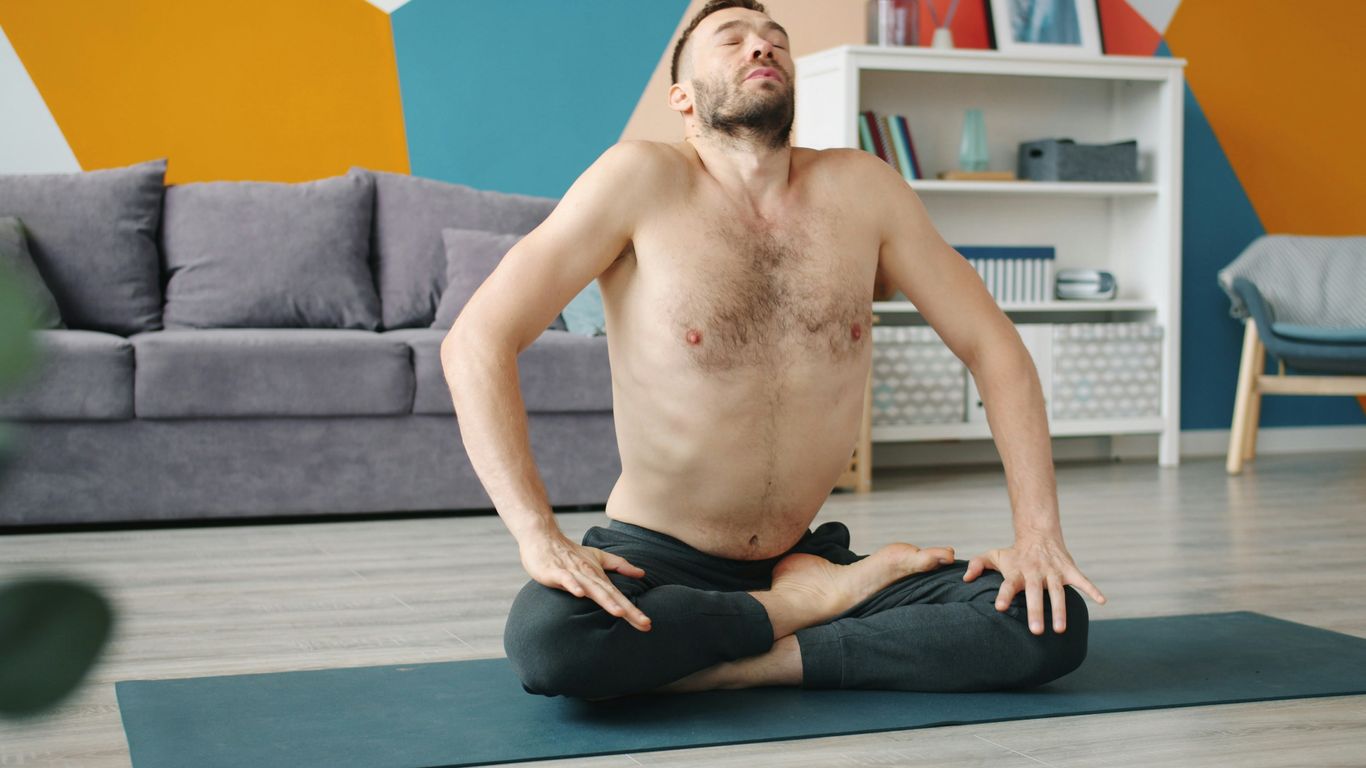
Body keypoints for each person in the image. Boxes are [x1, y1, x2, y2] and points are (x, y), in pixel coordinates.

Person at [440, 0, 1106, 701]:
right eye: (731, 40)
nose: (760, 48)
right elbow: (476, 341)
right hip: (657, 560)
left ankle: (755, 652)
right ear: (682, 97)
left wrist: (1038, 534)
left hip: (805, 555)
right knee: (553, 642)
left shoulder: (865, 189)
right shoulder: (638, 178)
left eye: (774, 41)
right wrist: (537, 535)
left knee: (1047, 623)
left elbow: (995, 348)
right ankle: (801, 611)